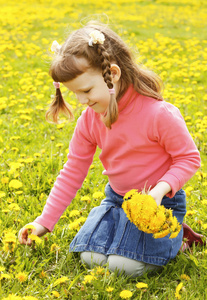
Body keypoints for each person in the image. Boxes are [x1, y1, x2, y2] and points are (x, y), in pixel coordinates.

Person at [18, 22, 203, 277]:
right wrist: (43, 223)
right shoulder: (89, 120)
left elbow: (188, 158)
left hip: (159, 204)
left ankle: (177, 238)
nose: (82, 101)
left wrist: (159, 191)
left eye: (86, 91)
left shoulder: (159, 114)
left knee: (123, 267)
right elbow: (72, 171)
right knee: (89, 257)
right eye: (75, 94)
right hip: (116, 201)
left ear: (112, 74)